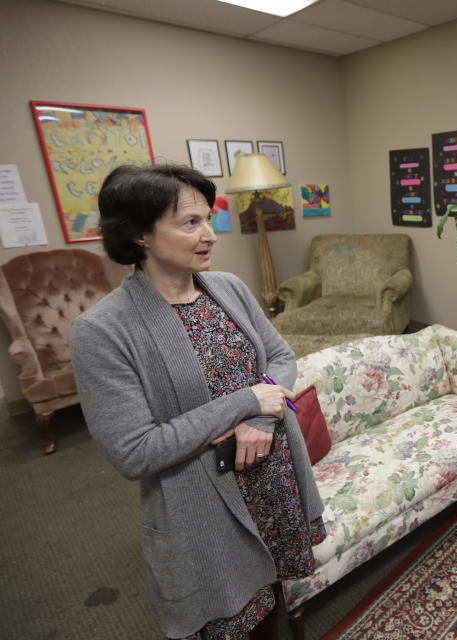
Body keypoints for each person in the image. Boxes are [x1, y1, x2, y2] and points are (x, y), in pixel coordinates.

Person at [70, 164, 325, 640]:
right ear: (141, 235)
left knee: (273, 606)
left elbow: (280, 357)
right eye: (190, 223)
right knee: (236, 622)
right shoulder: (102, 331)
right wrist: (246, 400)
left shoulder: (227, 287)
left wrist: (262, 423)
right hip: (206, 511)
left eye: (209, 219)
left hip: (275, 479)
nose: (209, 234)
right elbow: (135, 451)